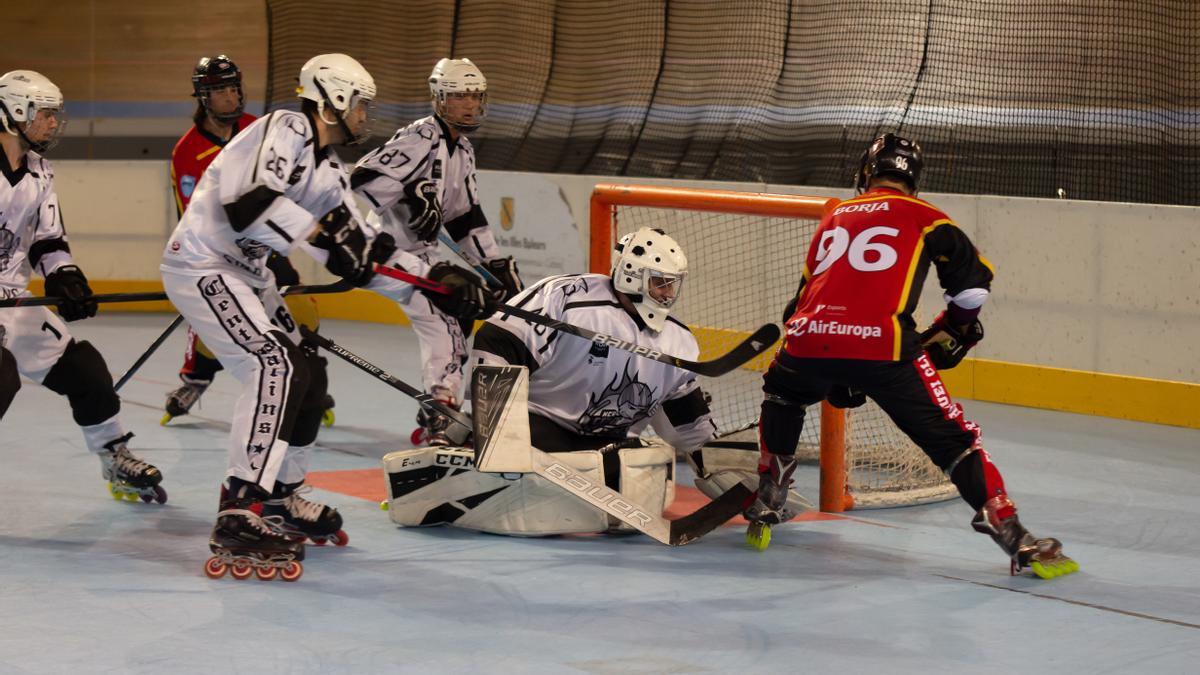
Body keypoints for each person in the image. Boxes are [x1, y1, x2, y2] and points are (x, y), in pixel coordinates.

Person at [162, 53, 491, 579]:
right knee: (275, 364)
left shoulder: (329, 170)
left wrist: (436, 286)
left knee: (309, 372)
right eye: (361, 105)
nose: (365, 116)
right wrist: (321, 238)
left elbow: (363, 253)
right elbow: (246, 201)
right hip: (202, 265)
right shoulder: (285, 128)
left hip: (248, 274)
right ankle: (239, 506)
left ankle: (281, 495)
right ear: (334, 99)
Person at [746, 133, 1078, 579]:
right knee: (954, 443)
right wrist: (957, 326)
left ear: (867, 172)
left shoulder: (836, 217)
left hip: (807, 339)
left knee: (783, 394)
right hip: (884, 347)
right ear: (914, 179)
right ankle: (1011, 533)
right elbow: (973, 285)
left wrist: (835, 367)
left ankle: (770, 491)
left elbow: (801, 302)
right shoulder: (927, 217)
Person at [382, 227, 807, 536]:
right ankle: (463, 443)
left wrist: (730, 482)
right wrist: (497, 431)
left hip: (605, 441)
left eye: (672, 284)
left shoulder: (679, 339)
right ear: (630, 275)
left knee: (638, 460)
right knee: (535, 454)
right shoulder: (567, 297)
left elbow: (686, 422)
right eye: (659, 282)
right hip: (540, 426)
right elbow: (497, 338)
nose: (667, 294)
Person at [0, 70, 166, 503]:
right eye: (46, 114)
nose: (54, 123)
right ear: (17, 112)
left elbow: (47, 240)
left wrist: (65, 276)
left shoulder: (39, 170)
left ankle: (114, 456)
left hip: (13, 302)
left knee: (86, 369)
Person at [352, 57, 523, 446]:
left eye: (475, 96)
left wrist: (493, 266)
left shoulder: (461, 150)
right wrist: (411, 198)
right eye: (460, 95)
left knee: (465, 311)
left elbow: (466, 218)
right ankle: (441, 416)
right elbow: (361, 178)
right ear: (440, 99)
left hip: (422, 257)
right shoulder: (419, 138)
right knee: (443, 320)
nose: (469, 104)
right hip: (389, 254)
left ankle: (438, 404)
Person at [162, 55, 332, 427]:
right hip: (219, 251)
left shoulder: (260, 129)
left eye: (233, 88)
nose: (229, 97)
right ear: (203, 97)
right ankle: (197, 377)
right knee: (215, 316)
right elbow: (193, 214)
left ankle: (309, 373)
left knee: (303, 310)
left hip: (267, 244)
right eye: (220, 90)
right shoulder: (187, 151)